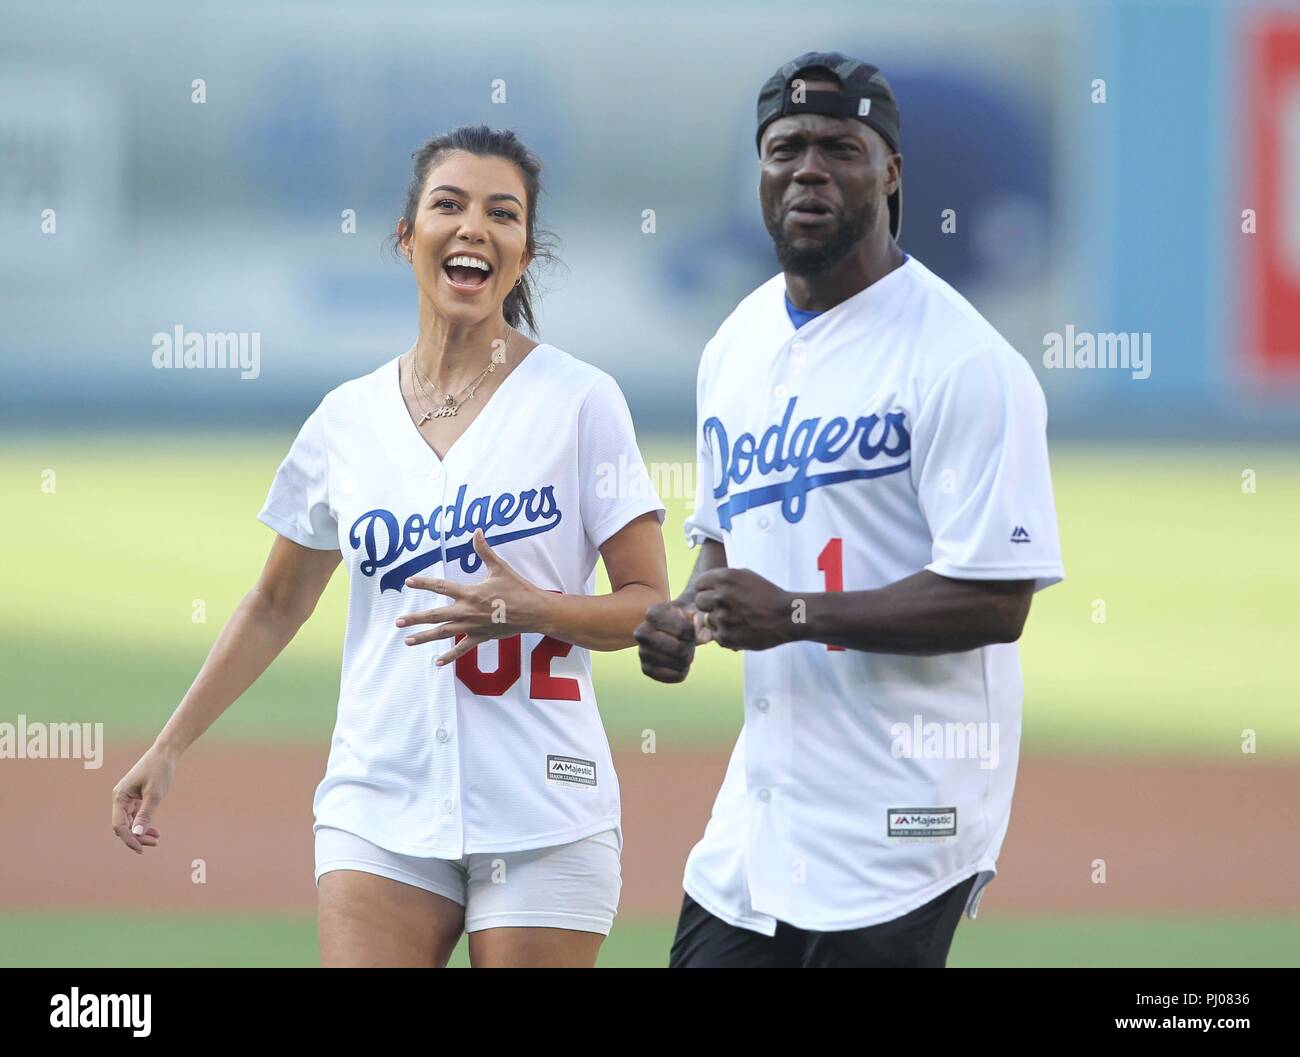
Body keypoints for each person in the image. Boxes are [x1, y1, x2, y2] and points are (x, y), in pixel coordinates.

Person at [112, 125, 669, 968]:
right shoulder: (348, 418)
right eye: (448, 204)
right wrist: (170, 742)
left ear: (525, 252)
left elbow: (650, 607)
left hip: (545, 804)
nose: (474, 226)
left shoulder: (582, 402)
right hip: (379, 801)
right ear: (408, 236)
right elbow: (274, 602)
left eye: (502, 213)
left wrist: (534, 609)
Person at [635, 52, 1065, 968]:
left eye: (841, 147)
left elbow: (997, 599)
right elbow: (722, 546)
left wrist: (790, 616)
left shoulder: (963, 361)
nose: (809, 168)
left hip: (905, 813)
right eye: (785, 146)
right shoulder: (736, 345)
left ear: (892, 173)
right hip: (763, 807)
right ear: (759, 171)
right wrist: (686, 617)